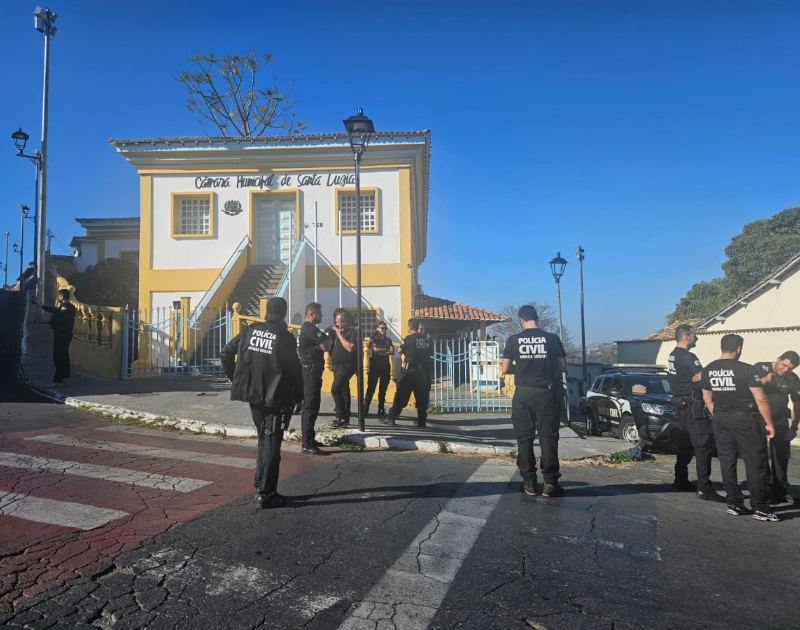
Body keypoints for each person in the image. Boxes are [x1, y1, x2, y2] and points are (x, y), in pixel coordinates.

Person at [220, 297, 303, 509]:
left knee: (263, 439)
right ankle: (267, 494)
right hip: (275, 397)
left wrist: (236, 378)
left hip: (253, 393)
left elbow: (226, 353)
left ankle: (260, 483)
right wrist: (299, 397)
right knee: (272, 443)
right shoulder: (285, 336)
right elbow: (294, 369)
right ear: (284, 314)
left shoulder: (249, 331)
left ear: (267, 311)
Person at [700, 334, 779, 522]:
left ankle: (734, 503)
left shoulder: (709, 369)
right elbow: (761, 398)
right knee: (755, 462)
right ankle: (760, 507)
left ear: (721, 347)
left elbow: (707, 397)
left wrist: (717, 414)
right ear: (739, 349)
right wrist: (769, 423)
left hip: (721, 418)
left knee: (727, 461)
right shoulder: (747, 369)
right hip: (745, 419)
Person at [500, 305, 567, 498]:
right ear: (537, 318)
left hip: (523, 394)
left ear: (521, 320)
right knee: (548, 438)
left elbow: (505, 369)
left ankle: (529, 483)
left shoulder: (513, 340)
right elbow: (563, 367)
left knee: (524, 438)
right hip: (547, 393)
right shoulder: (552, 338)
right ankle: (550, 483)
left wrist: (522, 368)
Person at [667, 324, 724, 502]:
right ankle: (704, 488)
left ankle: (680, 480)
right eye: (694, 335)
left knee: (686, 443)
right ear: (686, 337)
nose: (696, 338)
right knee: (703, 445)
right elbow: (704, 379)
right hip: (694, 407)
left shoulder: (673, 355)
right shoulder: (689, 357)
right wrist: (705, 373)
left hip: (682, 406)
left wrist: (702, 373)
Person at [753, 351, 800, 505]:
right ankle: (766, 490)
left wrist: (794, 427)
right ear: (778, 359)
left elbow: (797, 403)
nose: (785, 370)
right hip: (758, 419)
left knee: (781, 455)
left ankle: (780, 490)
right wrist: (764, 380)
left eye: (790, 368)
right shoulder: (760, 368)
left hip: (780, 421)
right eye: (784, 365)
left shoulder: (793, 379)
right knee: (760, 456)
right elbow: (746, 388)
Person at [380, 318, 432, 428]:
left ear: (410, 327)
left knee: (400, 394)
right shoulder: (426, 340)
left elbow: (399, 350)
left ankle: (391, 418)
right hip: (421, 372)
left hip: (409, 371)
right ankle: (421, 421)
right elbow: (429, 353)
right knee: (421, 397)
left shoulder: (409, 338)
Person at [298, 302, 332, 455]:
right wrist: (324, 342)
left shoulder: (310, 329)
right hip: (310, 370)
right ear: (312, 314)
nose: (321, 316)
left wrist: (324, 343)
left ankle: (310, 439)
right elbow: (327, 346)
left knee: (314, 405)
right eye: (319, 313)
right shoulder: (310, 328)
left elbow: (325, 344)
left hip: (313, 370)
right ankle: (307, 444)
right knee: (310, 406)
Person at [33, 289, 76, 388]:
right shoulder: (69, 306)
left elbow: (60, 318)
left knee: (58, 357)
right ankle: (65, 378)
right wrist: (40, 306)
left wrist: (51, 321)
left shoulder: (65, 307)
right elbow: (55, 310)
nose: (58, 298)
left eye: (59, 296)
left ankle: (58, 381)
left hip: (61, 335)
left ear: (62, 297)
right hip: (66, 335)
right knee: (64, 357)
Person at [327, 309, 360, 428]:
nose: (337, 324)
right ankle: (345, 418)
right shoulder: (341, 330)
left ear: (345, 322)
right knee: (344, 390)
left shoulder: (355, 331)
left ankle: (340, 416)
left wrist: (339, 334)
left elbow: (350, 348)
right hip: (336, 365)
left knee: (335, 389)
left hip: (346, 365)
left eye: (338, 322)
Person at [364, 320, 395, 417]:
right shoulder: (374, 338)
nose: (384, 330)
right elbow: (375, 350)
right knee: (371, 388)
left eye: (385, 328)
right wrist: (386, 350)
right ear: (377, 329)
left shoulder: (388, 339)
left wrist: (383, 351)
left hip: (385, 365)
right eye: (382, 328)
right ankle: (365, 408)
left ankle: (381, 408)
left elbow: (392, 351)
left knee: (383, 389)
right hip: (375, 365)